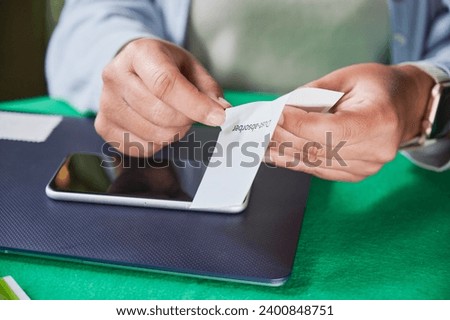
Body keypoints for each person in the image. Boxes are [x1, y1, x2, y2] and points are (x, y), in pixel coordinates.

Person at [46, 0, 450, 182]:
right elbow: (91, 16)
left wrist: (424, 97)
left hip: (394, 168)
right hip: (183, 160)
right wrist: (125, 55)